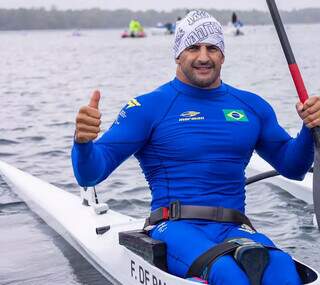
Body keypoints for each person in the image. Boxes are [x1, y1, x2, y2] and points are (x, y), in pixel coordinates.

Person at [72, 10, 318, 285]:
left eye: (212, 48)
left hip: (235, 226)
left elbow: (294, 167)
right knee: (227, 273)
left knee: (283, 268)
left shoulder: (252, 106)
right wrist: (82, 142)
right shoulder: (148, 107)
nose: (203, 57)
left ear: (222, 55)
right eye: (193, 48)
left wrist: (310, 129)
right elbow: (91, 174)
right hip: (175, 227)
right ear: (178, 54)